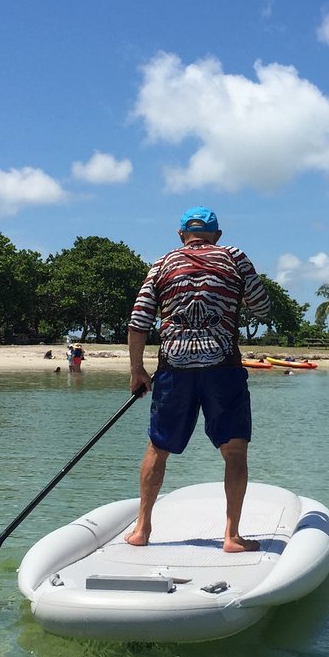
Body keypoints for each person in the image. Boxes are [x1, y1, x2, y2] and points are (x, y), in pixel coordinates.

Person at [127, 206, 271, 553]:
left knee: (158, 448)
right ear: (217, 236)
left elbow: (138, 321)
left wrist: (137, 371)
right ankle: (232, 536)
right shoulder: (234, 257)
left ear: (181, 235)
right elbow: (263, 308)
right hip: (223, 366)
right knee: (234, 450)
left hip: (174, 368)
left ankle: (142, 529)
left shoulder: (161, 263)